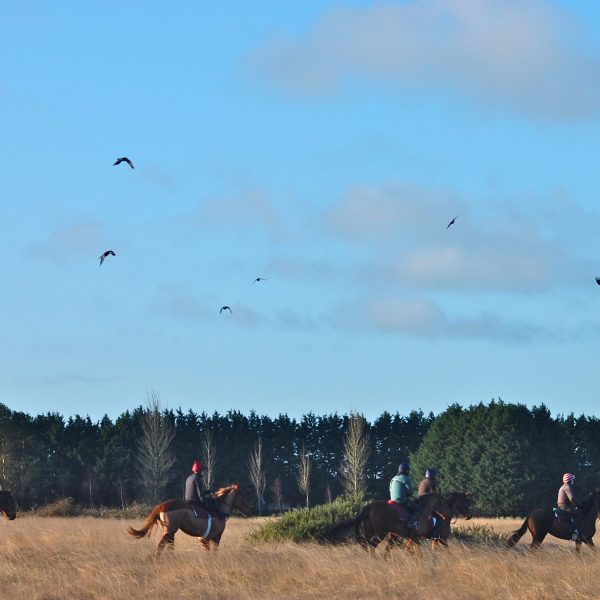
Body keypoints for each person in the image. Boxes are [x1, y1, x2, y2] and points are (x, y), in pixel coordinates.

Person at [389, 462, 419, 528]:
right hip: (401, 501)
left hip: (392, 501)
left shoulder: (393, 478)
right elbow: (410, 492)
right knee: (417, 510)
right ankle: (411, 523)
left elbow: (390, 489)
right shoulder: (406, 478)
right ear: (407, 470)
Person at [557, 473, 581, 541]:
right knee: (579, 514)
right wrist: (579, 505)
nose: (573, 481)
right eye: (572, 480)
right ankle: (574, 532)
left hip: (561, 506)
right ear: (570, 480)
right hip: (565, 507)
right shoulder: (567, 487)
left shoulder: (563, 486)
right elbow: (572, 499)